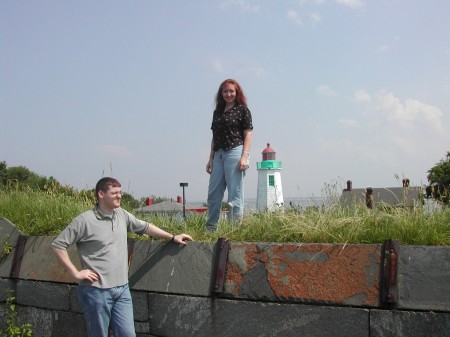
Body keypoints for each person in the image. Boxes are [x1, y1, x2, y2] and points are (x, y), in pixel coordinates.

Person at [51, 177, 193, 337]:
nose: (119, 196)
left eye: (120, 192)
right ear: (101, 194)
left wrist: (173, 237)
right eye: (114, 193)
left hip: (122, 290)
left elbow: (145, 227)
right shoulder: (84, 220)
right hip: (96, 291)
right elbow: (58, 245)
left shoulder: (121, 214)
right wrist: (76, 273)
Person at [205, 79, 253, 231]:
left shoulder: (243, 110)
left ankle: (235, 229)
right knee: (213, 193)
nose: (228, 94)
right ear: (221, 93)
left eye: (231, 91)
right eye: (225, 91)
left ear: (237, 92)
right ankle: (211, 228)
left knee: (235, 193)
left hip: (235, 151)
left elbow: (248, 134)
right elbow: (215, 136)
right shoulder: (217, 112)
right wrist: (210, 158)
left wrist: (244, 156)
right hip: (218, 153)